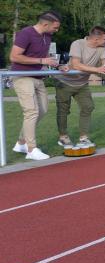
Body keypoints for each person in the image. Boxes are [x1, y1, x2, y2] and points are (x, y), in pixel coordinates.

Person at [8, 10, 63, 160]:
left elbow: (44, 57)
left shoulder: (47, 36)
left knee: (42, 110)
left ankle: (21, 143)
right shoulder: (25, 33)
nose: (56, 30)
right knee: (31, 112)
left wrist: (58, 66)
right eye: (55, 27)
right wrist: (41, 61)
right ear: (45, 24)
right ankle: (31, 150)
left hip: (38, 77)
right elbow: (14, 56)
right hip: (22, 76)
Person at [52, 26, 105, 149]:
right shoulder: (78, 44)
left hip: (82, 83)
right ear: (96, 39)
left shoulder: (102, 47)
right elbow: (76, 65)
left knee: (88, 106)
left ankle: (83, 138)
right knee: (63, 110)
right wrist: (97, 69)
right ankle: (63, 137)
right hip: (65, 82)